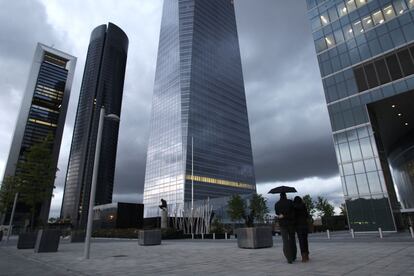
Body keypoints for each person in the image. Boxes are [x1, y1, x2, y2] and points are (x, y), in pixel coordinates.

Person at [275, 192, 297, 263]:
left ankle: (289, 258)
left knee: (285, 241)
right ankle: (293, 256)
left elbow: (277, 213)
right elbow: (294, 213)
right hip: (291, 224)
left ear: (280, 196)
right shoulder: (290, 202)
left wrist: (282, 215)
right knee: (292, 240)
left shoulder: (277, 204)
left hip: (282, 224)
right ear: (286, 195)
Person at [293, 196, 310, 262]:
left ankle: (303, 257)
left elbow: (293, 217)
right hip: (305, 225)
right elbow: (307, 215)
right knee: (305, 240)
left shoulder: (294, 207)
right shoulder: (303, 206)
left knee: (301, 241)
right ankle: (307, 255)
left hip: (298, 226)